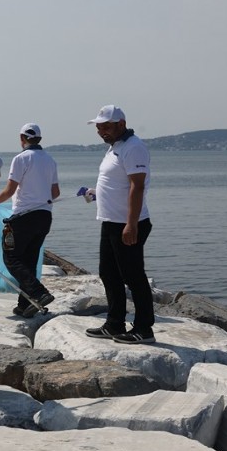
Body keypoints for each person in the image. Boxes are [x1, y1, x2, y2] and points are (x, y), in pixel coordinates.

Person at [83, 105, 155, 344]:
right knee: (108, 273)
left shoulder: (134, 147)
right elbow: (116, 182)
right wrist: (97, 193)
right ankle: (114, 323)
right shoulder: (116, 147)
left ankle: (144, 329)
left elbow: (138, 186)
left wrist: (131, 224)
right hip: (111, 222)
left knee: (133, 277)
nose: (101, 131)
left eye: (106, 126)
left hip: (128, 223)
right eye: (98, 127)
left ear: (121, 124)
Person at [0, 123, 59, 318]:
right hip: (44, 217)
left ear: (22, 138)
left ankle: (39, 293)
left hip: (24, 217)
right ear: (39, 139)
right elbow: (55, 192)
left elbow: (9, 190)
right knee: (29, 260)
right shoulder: (50, 160)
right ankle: (26, 305)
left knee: (10, 258)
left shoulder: (21, 159)